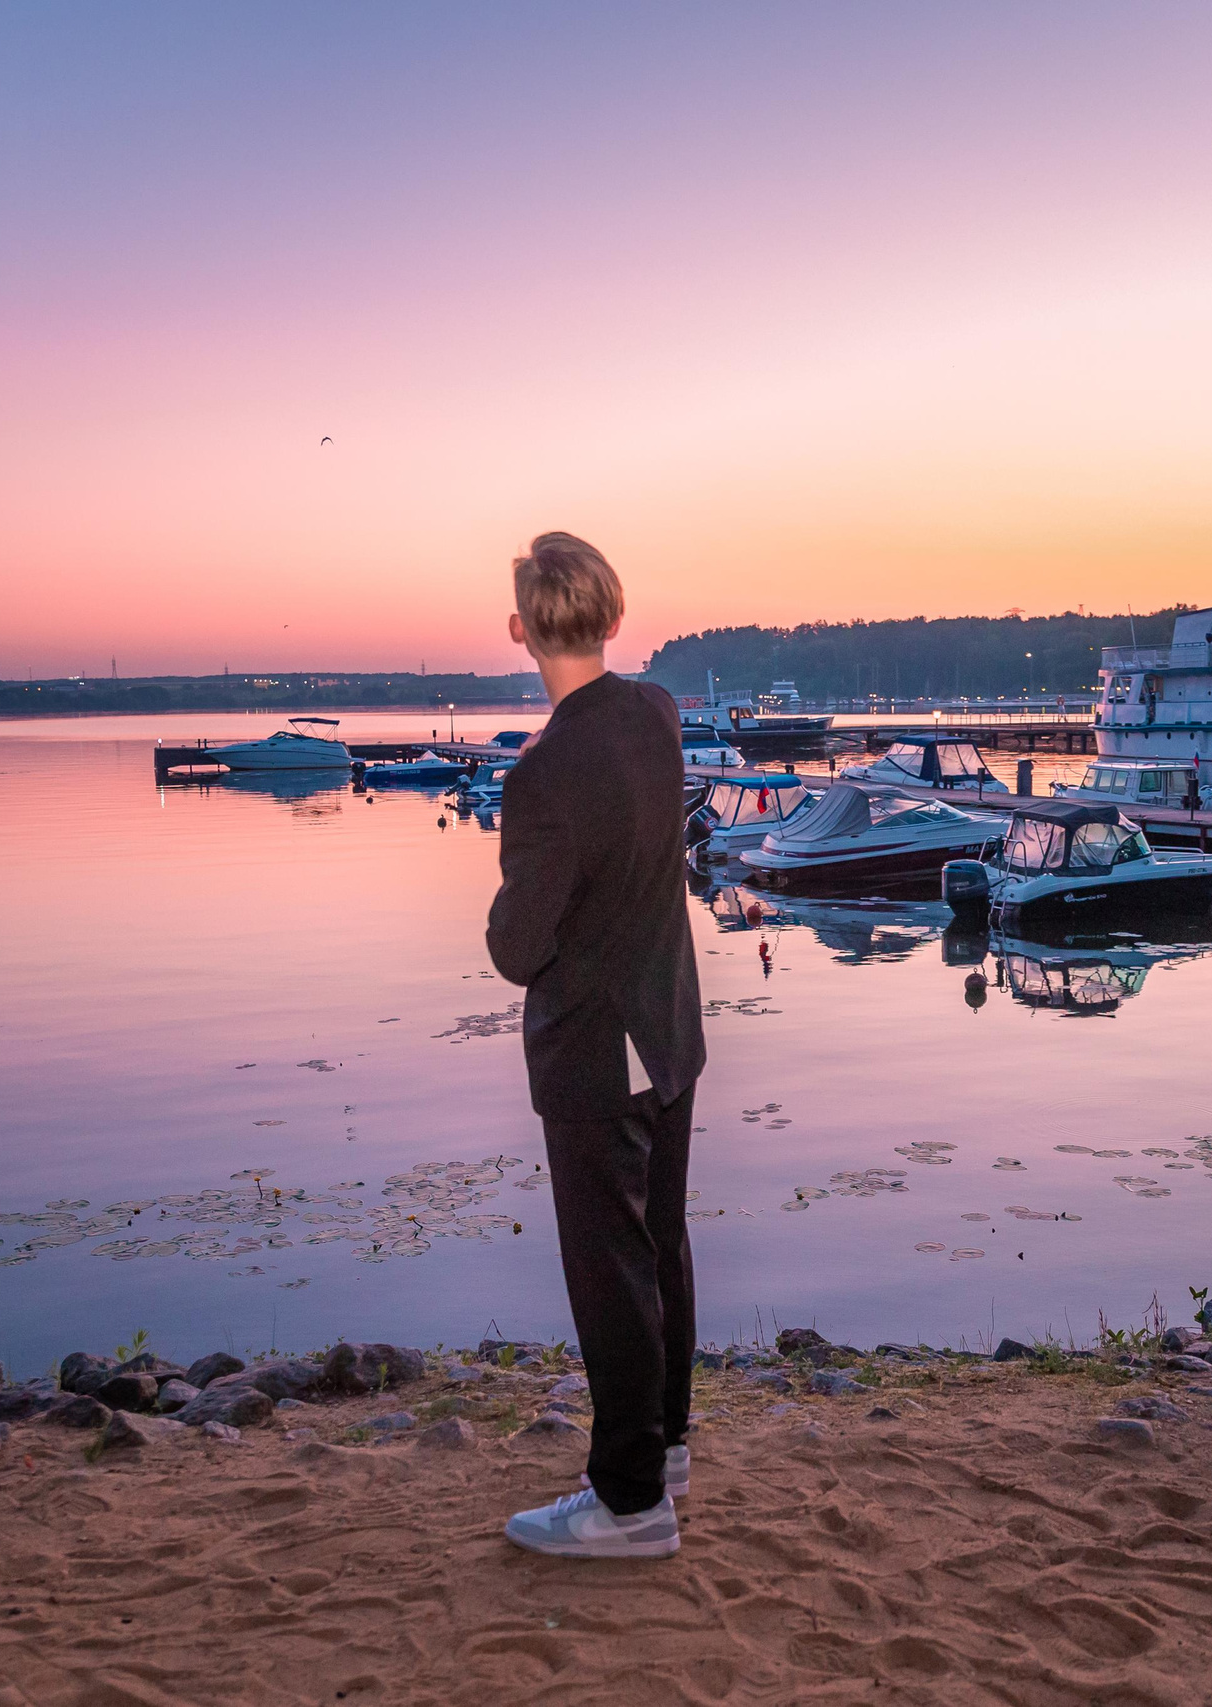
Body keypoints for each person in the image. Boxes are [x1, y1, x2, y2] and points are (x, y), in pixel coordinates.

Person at [485, 532, 705, 1560]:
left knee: (611, 1269)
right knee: (659, 1243)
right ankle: (663, 1448)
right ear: (614, 617)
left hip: (598, 1054)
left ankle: (629, 1503)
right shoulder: (656, 712)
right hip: (669, 1030)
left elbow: (516, 947)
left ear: (520, 630)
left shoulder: (543, 776)